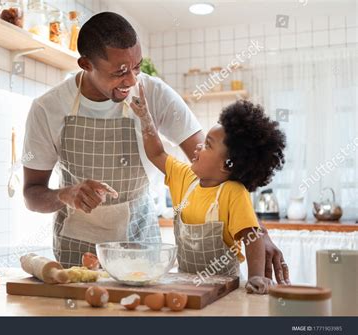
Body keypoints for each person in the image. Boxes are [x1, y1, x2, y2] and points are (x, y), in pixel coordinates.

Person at [22, 11, 291, 285]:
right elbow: (32, 195)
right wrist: (67, 194)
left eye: (136, 67)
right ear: (86, 64)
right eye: (120, 72)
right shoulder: (47, 109)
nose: (131, 81)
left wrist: (258, 232)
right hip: (75, 253)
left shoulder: (155, 94)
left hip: (141, 252)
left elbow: (221, 168)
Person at [131, 88, 288, 293]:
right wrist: (145, 119)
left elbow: (253, 236)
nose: (197, 148)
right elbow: (156, 153)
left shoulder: (233, 192)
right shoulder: (185, 177)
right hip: (187, 285)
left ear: (226, 164)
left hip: (224, 290)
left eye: (207, 145)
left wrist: (255, 277)